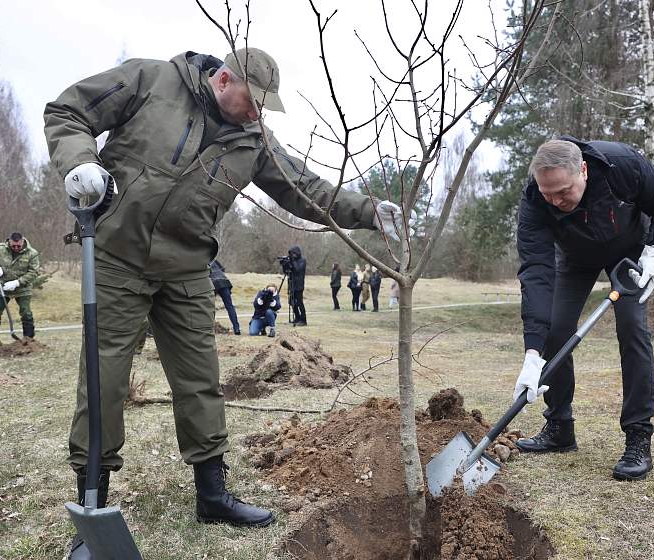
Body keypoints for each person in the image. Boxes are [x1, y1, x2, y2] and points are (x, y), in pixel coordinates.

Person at [44, 46, 404, 547]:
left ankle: (212, 495)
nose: (257, 113)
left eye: (264, 107)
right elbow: (67, 111)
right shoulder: (152, 80)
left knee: (201, 381)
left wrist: (368, 212)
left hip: (187, 268)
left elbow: (307, 190)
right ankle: (92, 504)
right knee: (103, 381)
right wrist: (80, 162)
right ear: (224, 80)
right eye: (252, 101)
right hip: (115, 258)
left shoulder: (254, 141)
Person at [512, 137, 654, 482]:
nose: (556, 201)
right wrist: (532, 354)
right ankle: (559, 428)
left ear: (584, 170)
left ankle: (638, 436)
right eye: (548, 194)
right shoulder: (534, 199)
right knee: (555, 329)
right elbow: (536, 271)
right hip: (575, 258)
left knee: (632, 328)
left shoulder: (623, 165)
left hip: (630, 252)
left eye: (563, 192)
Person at [0, 233, 41, 344]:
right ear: (9, 241)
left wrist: (17, 282)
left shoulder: (32, 253)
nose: (16, 248)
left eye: (18, 246)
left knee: (26, 313)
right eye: (13, 246)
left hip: (23, 289)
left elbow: (34, 272)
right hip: (2, 287)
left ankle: (29, 340)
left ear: (22, 242)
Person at [209, 259, 240, 335]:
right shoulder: (213, 259)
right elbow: (223, 269)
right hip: (224, 281)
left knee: (210, 306)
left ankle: (211, 327)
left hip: (213, 283)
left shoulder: (200, 260)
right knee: (230, 306)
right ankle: (237, 329)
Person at [284, 246, 307, 326]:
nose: (293, 255)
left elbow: (297, 269)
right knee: (291, 302)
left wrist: (292, 261)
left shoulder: (302, 260)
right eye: (291, 254)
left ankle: (303, 320)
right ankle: (297, 317)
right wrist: (285, 264)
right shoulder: (292, 261)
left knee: (299, 302)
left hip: (299, 285)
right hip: (292, 284)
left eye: (293, 253)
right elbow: (286, 272)